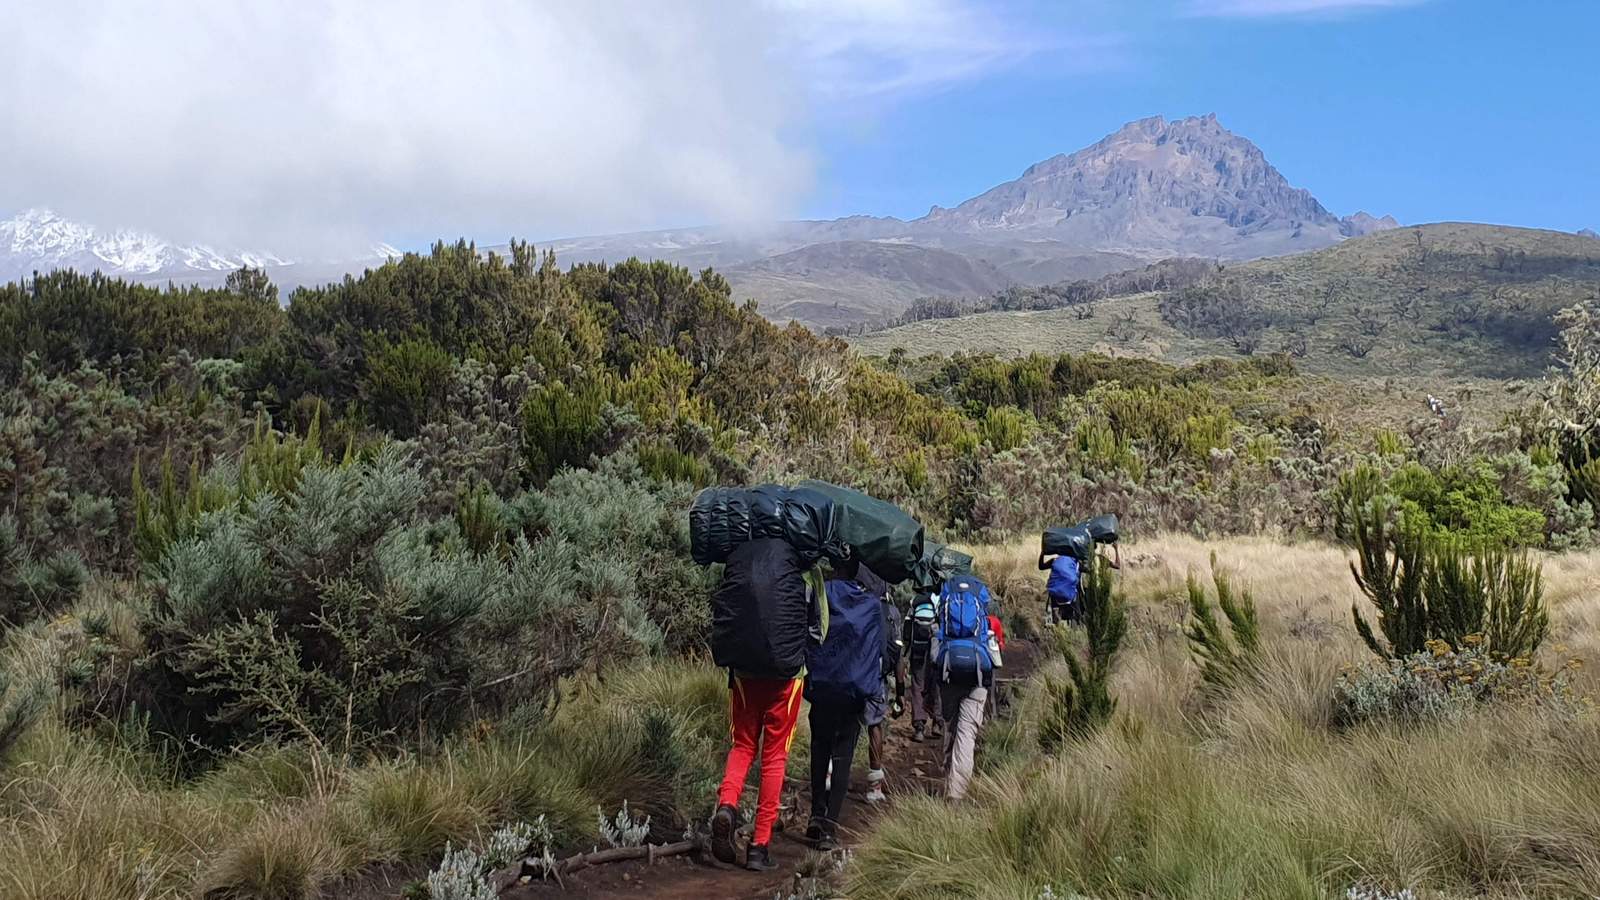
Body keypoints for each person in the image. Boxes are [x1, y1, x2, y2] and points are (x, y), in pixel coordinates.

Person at [710, 538, 827, 872]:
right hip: (786, 677)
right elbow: (820, 630)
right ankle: (759, 847)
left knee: (743, 745)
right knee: (774, 757)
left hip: (744, 672)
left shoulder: (740, 553)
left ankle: (727, 805)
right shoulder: (806, 565)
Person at [804, 555, 884, 851]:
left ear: (836, 569)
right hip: (853, 691)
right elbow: (880, 651)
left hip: (822, 686)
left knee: (819, 749)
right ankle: (829, 828)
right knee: (842, 758)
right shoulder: (871, 604)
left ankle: (816, 814)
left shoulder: (821, 594)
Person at [934, 574, 994, 801]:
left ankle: (947, 778)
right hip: (976, 675)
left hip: (949, 672)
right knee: (966, 734)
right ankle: (956, 794)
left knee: (950, 727)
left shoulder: (946, 592)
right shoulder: (980, 593)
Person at [862, 579, 902, 805]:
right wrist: (900, 692)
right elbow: (897, 652)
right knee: (875, 726)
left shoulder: (852, 601)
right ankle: (874, 786)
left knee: (842, 726)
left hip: (850, 673)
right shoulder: (891, 612)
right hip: (876, 678)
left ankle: (831, 774)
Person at [900, 587, 942, 743]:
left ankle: (919, 727)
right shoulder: (938, 600)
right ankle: (937, 722)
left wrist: (906, 650)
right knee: (937, 684)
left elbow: (907, 629)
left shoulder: (915, 601)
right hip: (935, 649)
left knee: (917, 685)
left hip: (918, 649)